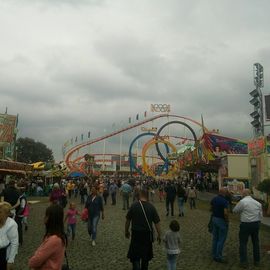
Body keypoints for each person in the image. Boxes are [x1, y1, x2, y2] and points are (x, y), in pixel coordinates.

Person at [125, 189, 161, 270]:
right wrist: (159, 235)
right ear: (147, 196)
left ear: (140, 195)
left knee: (135, 256)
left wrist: (126, 231)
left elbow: (128, 220)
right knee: (145, 257)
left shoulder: (134, 206)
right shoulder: (151, 207)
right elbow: (157, 223)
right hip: (147, 235)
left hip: (136, 234)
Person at [28, 204, 66, 270]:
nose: (44, 217)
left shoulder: (54, 239)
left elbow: (35, 261)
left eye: (46, 215)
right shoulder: (56, 235)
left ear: (51, 218)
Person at [233, 189, 262, 268]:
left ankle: (244, 262)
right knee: (256, 242)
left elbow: (235, 210)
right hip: (256, 224)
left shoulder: (242, 202)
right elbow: (260, 216)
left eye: (242, 193)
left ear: (244, 194)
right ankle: (257, 261)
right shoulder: (258, 203)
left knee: (243, 243)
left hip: (245, 224)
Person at [210, 187, 229, 263]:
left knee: (215, 238)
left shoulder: (214, 199)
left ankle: (214, 253)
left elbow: (211, 208)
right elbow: (225, 212)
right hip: (221, 220)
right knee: (221, 239)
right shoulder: (224, 201)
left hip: (214, 219)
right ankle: (218, 256)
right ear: (224, 193)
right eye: (227, 192)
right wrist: (227, 220)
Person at [0, 202, 19, 270]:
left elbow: (14, 243)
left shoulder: (11, 224)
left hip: (3, 254)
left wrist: (10, 261)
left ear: (7, 214)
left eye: (0, 212)